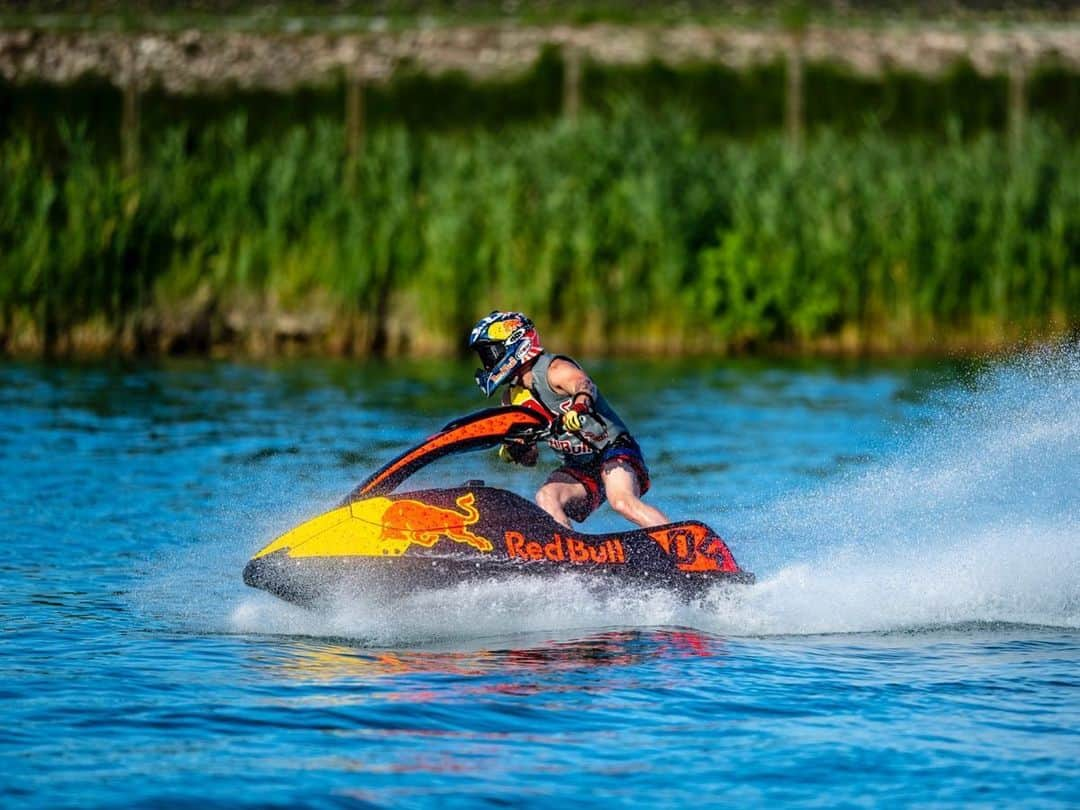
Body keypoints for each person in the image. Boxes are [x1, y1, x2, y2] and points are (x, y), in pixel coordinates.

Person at [468, 310, 670, 530]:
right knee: (546, 496)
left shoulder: (554, 370)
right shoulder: (510, 399)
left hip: (614, 450)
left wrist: (579, 406)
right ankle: (568, 558)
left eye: (489, 353)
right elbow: (532, 458)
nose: (487, 363)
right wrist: (517, 450)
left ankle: (683, 548)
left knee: (621, 502)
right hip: (579, 467)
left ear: (514, 343)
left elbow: (584, 385)